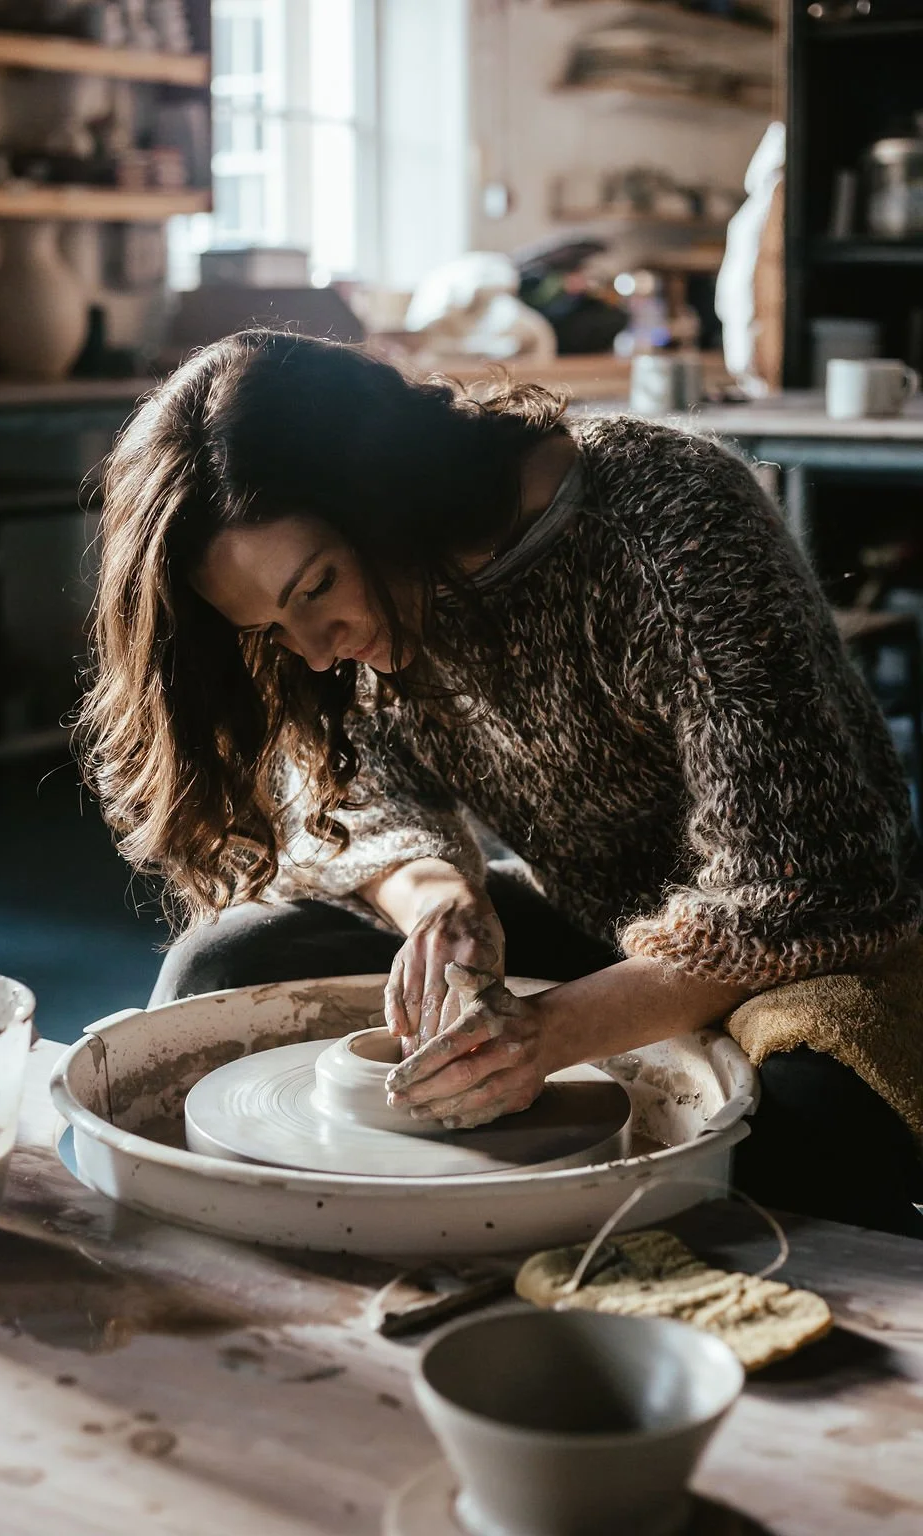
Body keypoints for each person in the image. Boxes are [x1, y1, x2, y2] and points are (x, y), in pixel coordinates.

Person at [80, 330, 923, 1234]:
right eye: (275, 630)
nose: (319, 647)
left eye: (319, 587)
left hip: (823, 945)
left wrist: (547, 1037)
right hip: (593, 919)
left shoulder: (667, 521)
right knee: (226, 962)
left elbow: (801, 890)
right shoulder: (370, 596)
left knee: (809, 1116)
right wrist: (442, 899)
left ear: (383, 486)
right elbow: (361, 795)